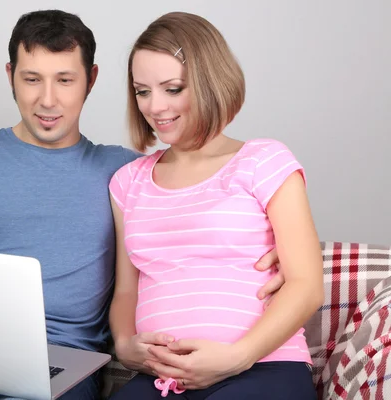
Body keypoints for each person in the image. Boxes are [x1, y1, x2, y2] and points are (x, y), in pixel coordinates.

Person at [0, 10, 285, 400]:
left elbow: (201, 211)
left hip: (55, 364)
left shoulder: (125, 173)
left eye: (65, 80)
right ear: (10, 75)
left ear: (91, 79)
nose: (48, 100)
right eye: (32, 78)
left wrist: (270, 246)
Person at [108, 11, 324, 400]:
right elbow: (127, 290)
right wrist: (125, 345)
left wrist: (236, 357)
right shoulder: (128, 181)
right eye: (142, 91)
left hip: (263, 366)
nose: (155, 107)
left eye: (172, 88)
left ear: (209, 83)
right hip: (163, 380)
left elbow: (306, 285)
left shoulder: (264, 161)